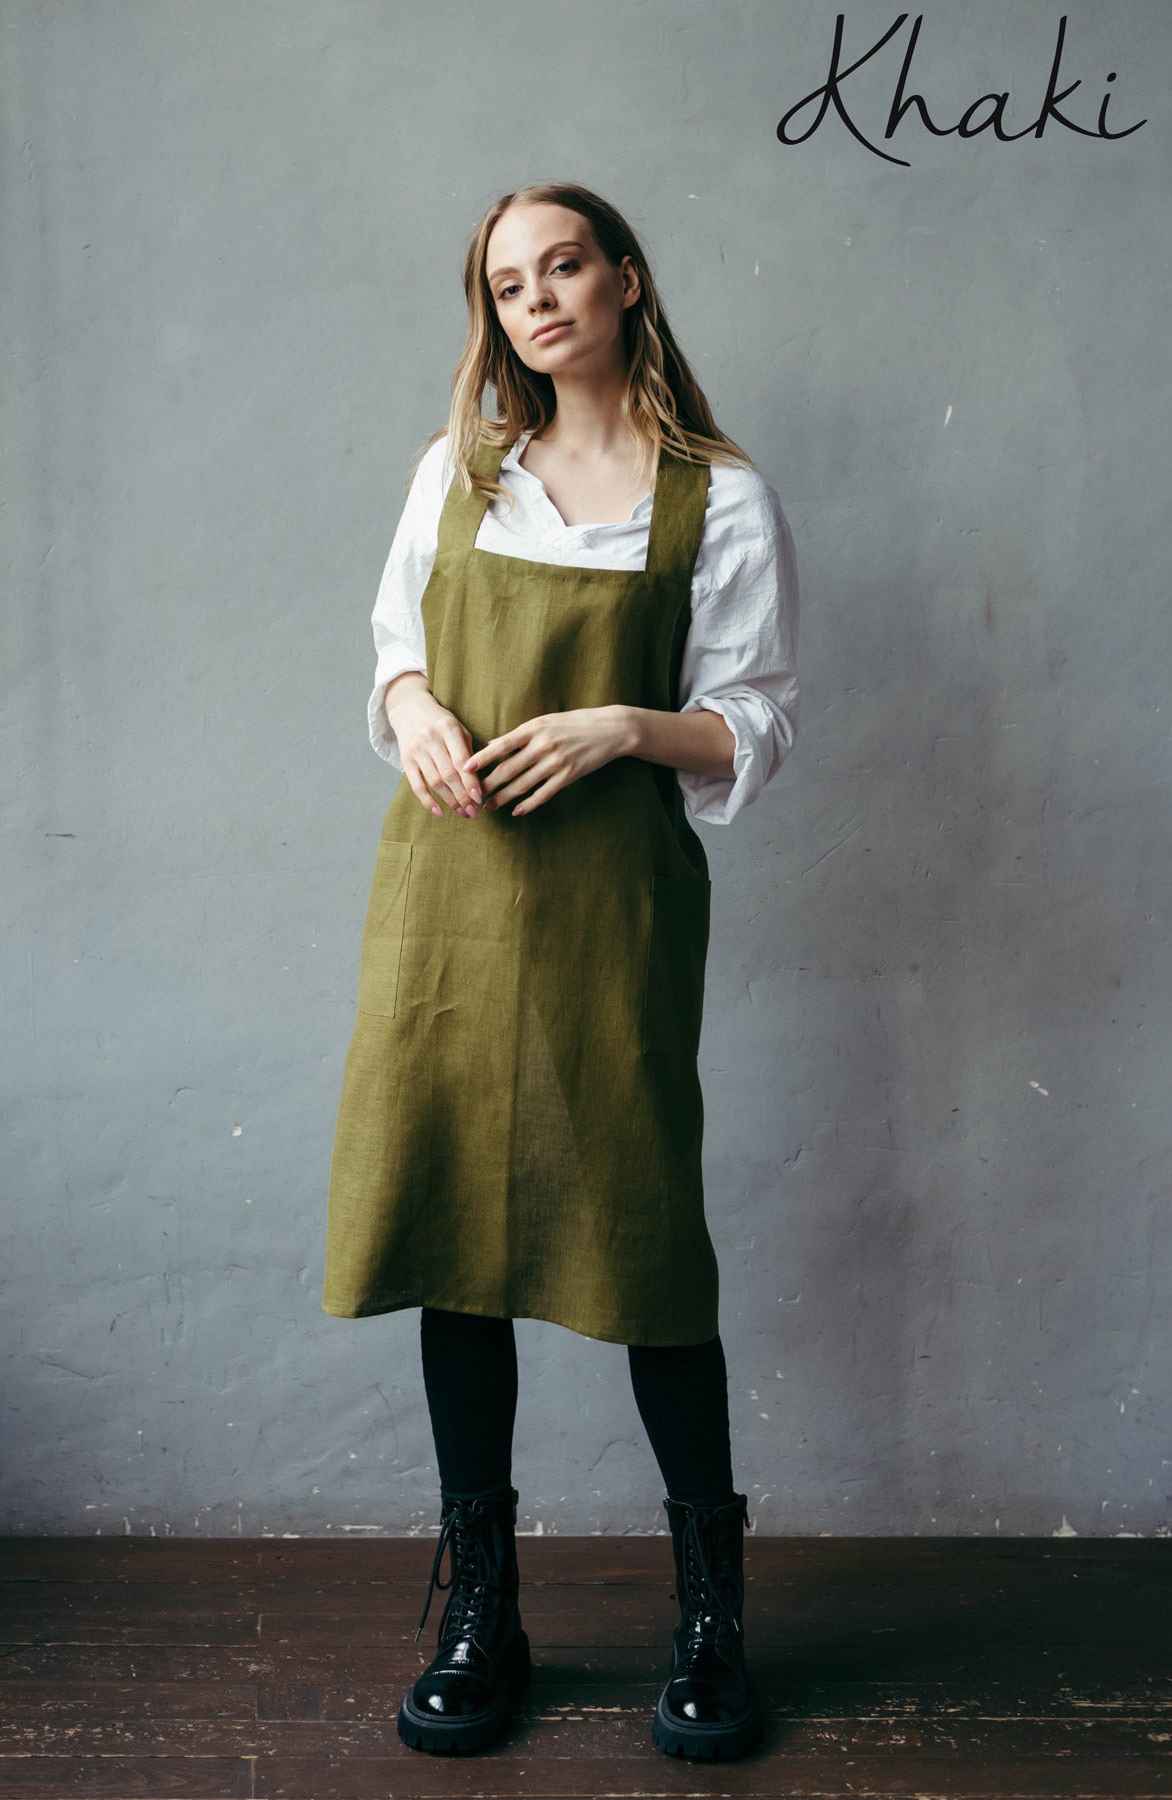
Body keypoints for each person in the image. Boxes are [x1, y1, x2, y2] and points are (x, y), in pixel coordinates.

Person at [322, 180, 801, 1762]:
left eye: (565, 264)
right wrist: (416, 718)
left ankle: (710, 1618)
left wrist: (619, 726)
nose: (536, 300)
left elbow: (756, 729)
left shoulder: (711, 499)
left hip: (615, 911)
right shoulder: (455, 477)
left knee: (651, 1243)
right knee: (455, 1228)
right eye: (508, 280)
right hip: (448, 902)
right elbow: (395, 653)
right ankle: (483, 1611)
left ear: (625, 280)